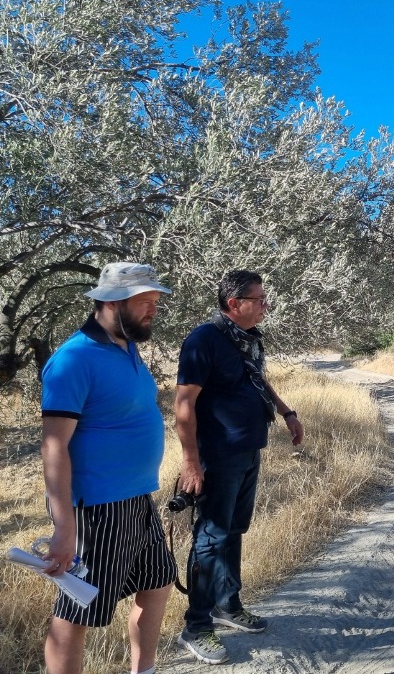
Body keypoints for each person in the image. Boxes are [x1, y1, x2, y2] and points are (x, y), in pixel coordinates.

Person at [39, 262, 176, 674]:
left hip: (137, 497)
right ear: (112, 303)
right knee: (76, 611)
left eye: (155, 302)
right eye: (145, 303)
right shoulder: (73, 360)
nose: (153, 311)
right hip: (98, 507)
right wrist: (65, 528)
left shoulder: (127, 346)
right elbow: (54, 446)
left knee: (158, 581)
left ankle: (144, 670)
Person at [173, 269, 303, 665]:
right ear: (234, 304)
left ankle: (227, 606)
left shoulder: (245, 339)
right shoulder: (203, 340)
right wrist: (191, 464)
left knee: (234, 530)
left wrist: (287, 412)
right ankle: (196, 626)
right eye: (259, 300)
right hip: (217, 456)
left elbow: (257, 379)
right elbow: (183, 405)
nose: (266, 306)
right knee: (210, 538)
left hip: (248, 451)